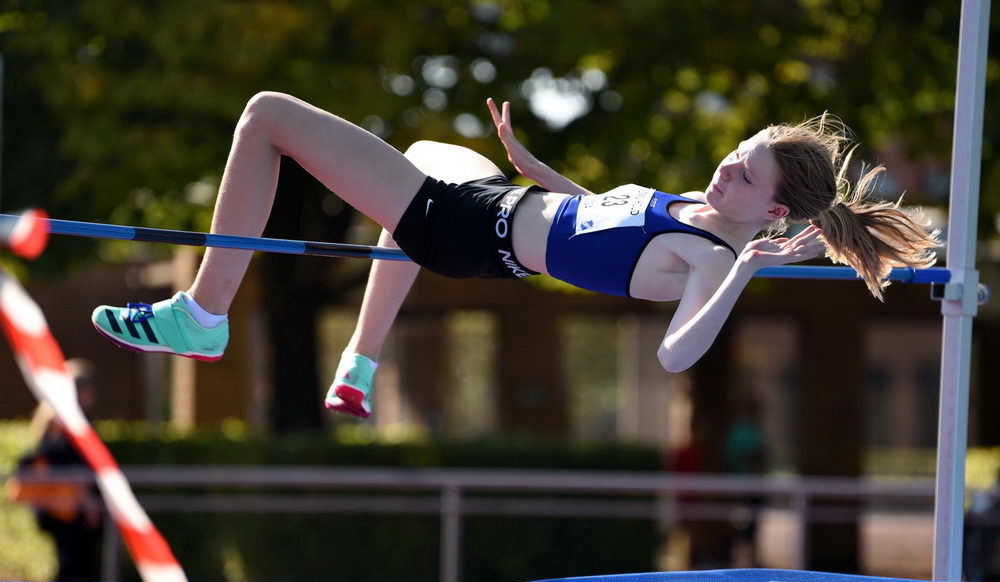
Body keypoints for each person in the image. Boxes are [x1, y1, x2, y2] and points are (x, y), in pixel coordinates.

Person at [91, 92, 939, 418]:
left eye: (743, 172)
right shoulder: (692, 209)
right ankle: (358, 366)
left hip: (466, 229)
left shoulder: (713, 263)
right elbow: (597, 218)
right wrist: (532, 166)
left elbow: (677, 355)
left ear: (772, 209)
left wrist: (746, 273)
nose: (724, 165)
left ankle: (202, 315)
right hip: (494, 208)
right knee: (432, 147)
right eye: (736, 150)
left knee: (266, 116)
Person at [11, 359, 104, 582]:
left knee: (82, 565)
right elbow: (59, 460)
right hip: (64, 505)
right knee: (73, 566)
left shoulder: (73, 418)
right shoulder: (60, 419)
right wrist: (86, 498)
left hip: (72, 506)